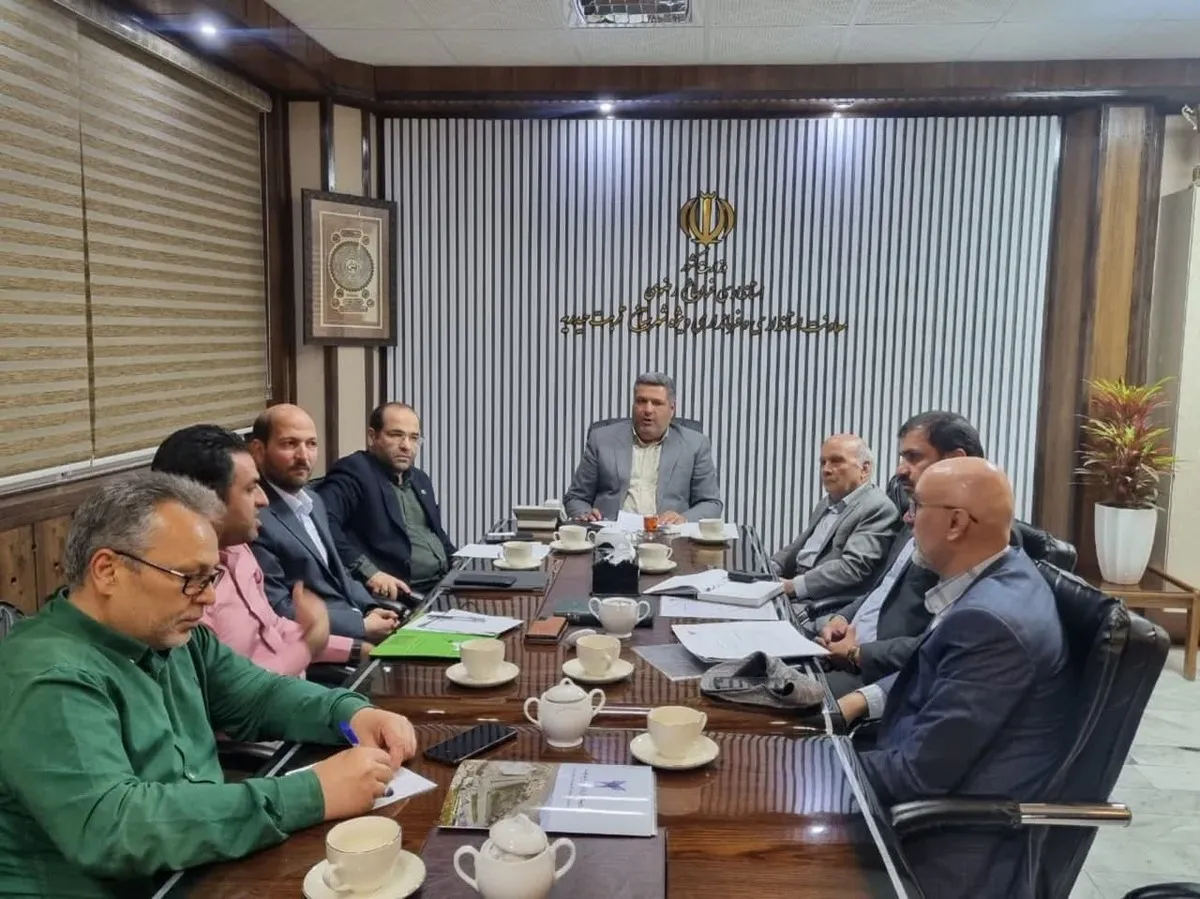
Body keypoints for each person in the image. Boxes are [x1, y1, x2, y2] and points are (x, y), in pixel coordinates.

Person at [0, 473, 418, 898]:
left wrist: (351, 713)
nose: (208, 597)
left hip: (206, 867)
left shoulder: (169, 634)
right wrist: (309, 795)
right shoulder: (48, 675)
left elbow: (259, 696)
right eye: (189, 577)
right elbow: (114, 827)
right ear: (108, 571)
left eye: (210, 577)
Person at [851, 458, 1074, 899]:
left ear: (955, 523)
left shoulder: (990, 623)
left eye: (917, 507)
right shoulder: (997, 577)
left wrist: (816, 766)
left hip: (944, 845)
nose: (908, 519)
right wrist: (858, 701)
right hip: (927, 792)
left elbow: (916, 774)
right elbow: (931, 668)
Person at [151, 424, 356, 675]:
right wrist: (307, 646)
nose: (263, 500)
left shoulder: (240, 548)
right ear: (207, 499)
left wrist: (356, 649)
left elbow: (273, 628)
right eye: (250, 489)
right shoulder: (180, 589)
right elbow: (231, 688)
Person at [815, 411, 985, 711]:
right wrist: (841, 618)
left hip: (877, 676)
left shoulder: (972, 535)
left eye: (913, 457)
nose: (900, 470)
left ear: (955, 461)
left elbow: (941, 645)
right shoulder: (916, 511)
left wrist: (858, 653)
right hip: (844, 648)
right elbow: (882, 588)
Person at [248, 404, 400, 644]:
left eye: (311, 444)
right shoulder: (255, 519)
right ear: (259, 450)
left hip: (358, 622)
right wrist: (359, 625)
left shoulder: (314, 501)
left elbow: (339, 574)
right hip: (323, 643)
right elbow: (278, 608)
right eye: (290, 444)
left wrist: (370, 607)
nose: (303, 456)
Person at [319, 403, 455, 602]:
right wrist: (370, 573)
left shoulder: (419, 479)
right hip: (404, 594)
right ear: (372, 437)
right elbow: (322, 521)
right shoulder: (354, 471)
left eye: (414, 438)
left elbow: (436, 534)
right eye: (396, 435)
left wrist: (461, 564)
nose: (406, 446)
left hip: (444, 586)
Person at [563, 372, 722, 525]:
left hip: (668, 536)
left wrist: (684, 518)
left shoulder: (695, 444)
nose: (648, 410)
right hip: (611, 534)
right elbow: (576, 498)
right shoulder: (601, 439)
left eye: (657, 403)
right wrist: (586, 514)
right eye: (641, 401)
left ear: (672, 409)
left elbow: (711, 503)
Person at [770, 434, 900, 600]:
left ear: (864, 469)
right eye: (823, 462)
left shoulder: (877, 507)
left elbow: (852, 568)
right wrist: (769, 568)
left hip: (821, 599)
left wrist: (791, 586)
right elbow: (799, 546)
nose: (826, 470)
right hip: (796, 584)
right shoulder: (827, 503)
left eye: (836, 461)